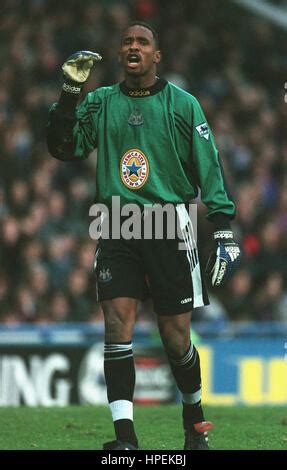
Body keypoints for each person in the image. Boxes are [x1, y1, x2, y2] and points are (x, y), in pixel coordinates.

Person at [47, 21, 241, 450]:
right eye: (128, 42)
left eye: (143, 42)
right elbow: (64, 148)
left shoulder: (183, 105)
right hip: (117, 223)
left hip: (170, 224)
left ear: (157, 56)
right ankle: (126, 440)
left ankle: (194, 422)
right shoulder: (99, 102)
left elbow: (209, 167)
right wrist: (68, 94)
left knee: (176, 339)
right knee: (117, 326)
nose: (134, 47)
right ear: (120, 55)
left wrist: (223, 229)